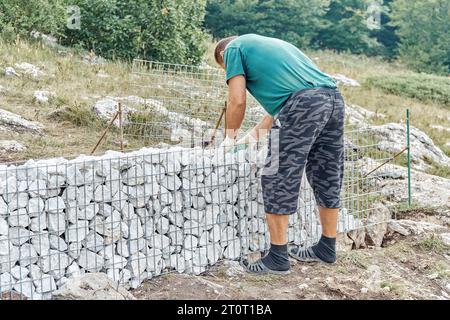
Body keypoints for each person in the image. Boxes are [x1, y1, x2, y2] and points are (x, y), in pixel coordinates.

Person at [214, 34, 345, 274]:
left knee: (277, 174)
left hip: (303, 105)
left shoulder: (232, 49)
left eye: (225, 71)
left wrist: (229, 137)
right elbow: (276, 114)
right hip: (333, 99)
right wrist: (243, 143)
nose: (229, 74)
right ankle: (327, 246)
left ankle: (277, 258)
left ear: (223, 57)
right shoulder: (271, 47)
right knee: (326, 171)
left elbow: (237, 100)